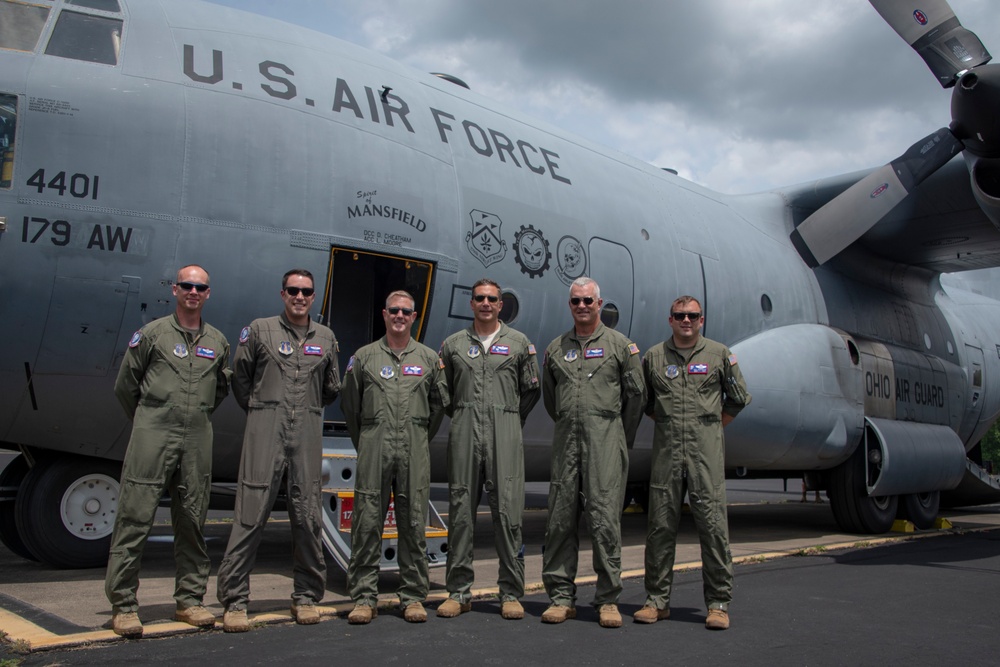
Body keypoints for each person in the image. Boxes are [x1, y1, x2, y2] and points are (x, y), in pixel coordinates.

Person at [105, 265, 231, 638]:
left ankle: (190, 600)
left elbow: (219, 390)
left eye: (200, 287)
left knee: (193, 518)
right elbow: (126, 385)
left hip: (196, 436)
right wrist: (149, 418)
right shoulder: (153, 335)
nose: (193, 291)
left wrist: (192, 416)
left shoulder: (219, 342)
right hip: (153, 432)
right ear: (175, 289)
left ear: (208, 293)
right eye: (187, 285)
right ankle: (124, 605)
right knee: (135, 516)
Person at [216, 269, 341, 632]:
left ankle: (306, 597)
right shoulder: (259, 330)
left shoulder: (326, 337)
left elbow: (331, 387)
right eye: (293, 291)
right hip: (265, 425)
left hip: (306, 428)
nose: (299, 297)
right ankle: (235, 600)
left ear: (313, 297)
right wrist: (262, 409)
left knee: (307, 515)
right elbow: (241, 378)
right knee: (250, 513)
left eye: (306, 292)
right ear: (282, 294)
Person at [633, 296, 751, 631]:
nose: (686, 321)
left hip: (705, 457)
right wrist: (674, 425)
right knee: (659, 528)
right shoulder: (654, 357)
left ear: (702, 320)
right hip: (667, 455)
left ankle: (717, 604)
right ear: (670, 319)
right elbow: (647, 403)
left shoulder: (719, 354)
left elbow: (738, 398)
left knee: (713, 529)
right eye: (680, 316)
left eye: (693, 316)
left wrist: (709, 426)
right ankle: (657, 601)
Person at [539, 277, 646, 628]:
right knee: (560, 519)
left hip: (606, 440)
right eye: (576, 301)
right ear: (570, 305)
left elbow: (635, 399)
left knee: (604, 520)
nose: (582, 306)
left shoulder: (621, 347)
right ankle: (560, 597)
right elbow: (552, 400)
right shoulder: (556, 349)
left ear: (600, 304)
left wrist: (614, 436)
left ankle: (608, 599)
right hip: (566, 441)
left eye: (588, 301)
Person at [436, 279, 540, 620]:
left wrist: (507, 419)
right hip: (465, 430)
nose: (485, 303)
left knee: (509, 514)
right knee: (461, 510)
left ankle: (510, 592)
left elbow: (531, 391)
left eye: (491, 299)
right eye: (479, 298)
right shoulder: (452, 345)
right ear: (472, 303)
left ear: (500, 305)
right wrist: (467, 415)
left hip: (505, 431)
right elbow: (445, 394)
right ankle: (458, 592)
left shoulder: (519, 344)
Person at [342, 291, 447, 625]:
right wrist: (370, 440)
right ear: (384, 315)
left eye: (406, 311)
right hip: (375, 447)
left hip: (414, 449)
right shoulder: (364, 357)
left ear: (414, 317)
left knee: (414, 522)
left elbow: (437, 408)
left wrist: (416, 437)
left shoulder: (430, 359)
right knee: (367, 522)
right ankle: (363, 597)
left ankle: (413, 596)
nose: (399, 316)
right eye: (394, 311)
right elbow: (350, 407)